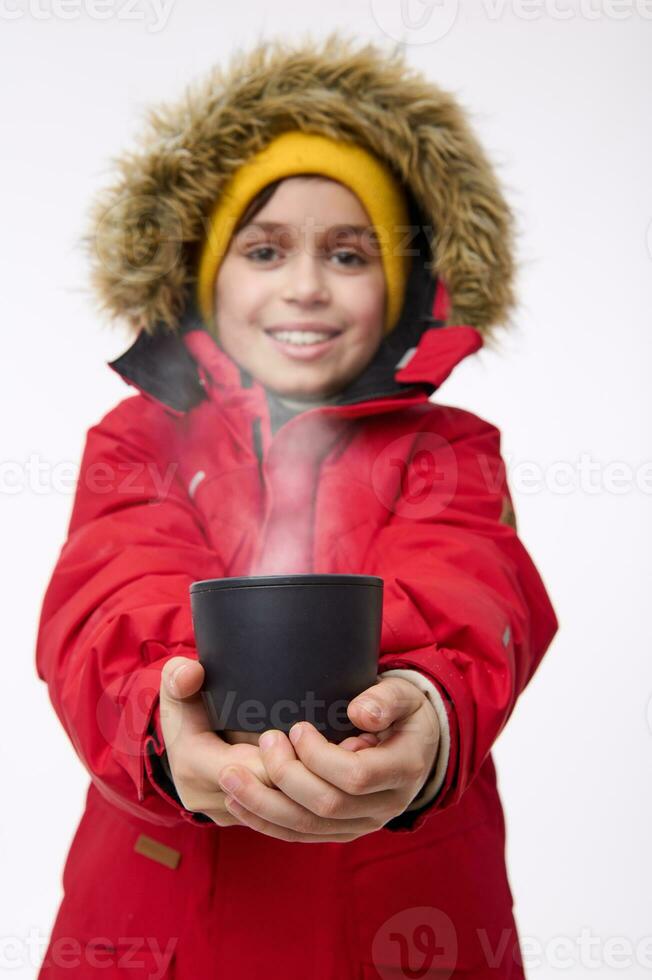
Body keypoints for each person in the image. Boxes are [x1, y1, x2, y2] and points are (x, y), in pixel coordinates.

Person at [36, 31, 559, 979]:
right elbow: (109, 596)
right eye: (267, 250)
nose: (307, 287)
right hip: (159, 919)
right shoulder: (139, 440)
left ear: (402, 287)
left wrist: (426, 714)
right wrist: (165, 722)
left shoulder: (450, 453)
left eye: (351, 255)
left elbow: (476, 599)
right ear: (204, 272)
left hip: (401, 919)